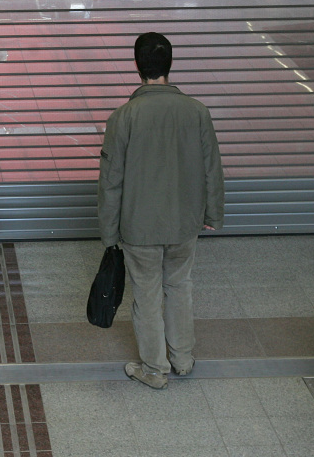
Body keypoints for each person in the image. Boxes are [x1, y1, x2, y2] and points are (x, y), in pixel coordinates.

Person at [98, 32, 225, 390]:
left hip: (139, 227)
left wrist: (109, 234)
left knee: (147, 295)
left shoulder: (123, 117)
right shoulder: (197, 111)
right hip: (185, 222)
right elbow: (211, 167)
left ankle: (154, 370)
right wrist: (213, 214)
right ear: (170, 65)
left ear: (138, 68)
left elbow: (111, 182)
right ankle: (183, 358)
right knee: (180, 286)